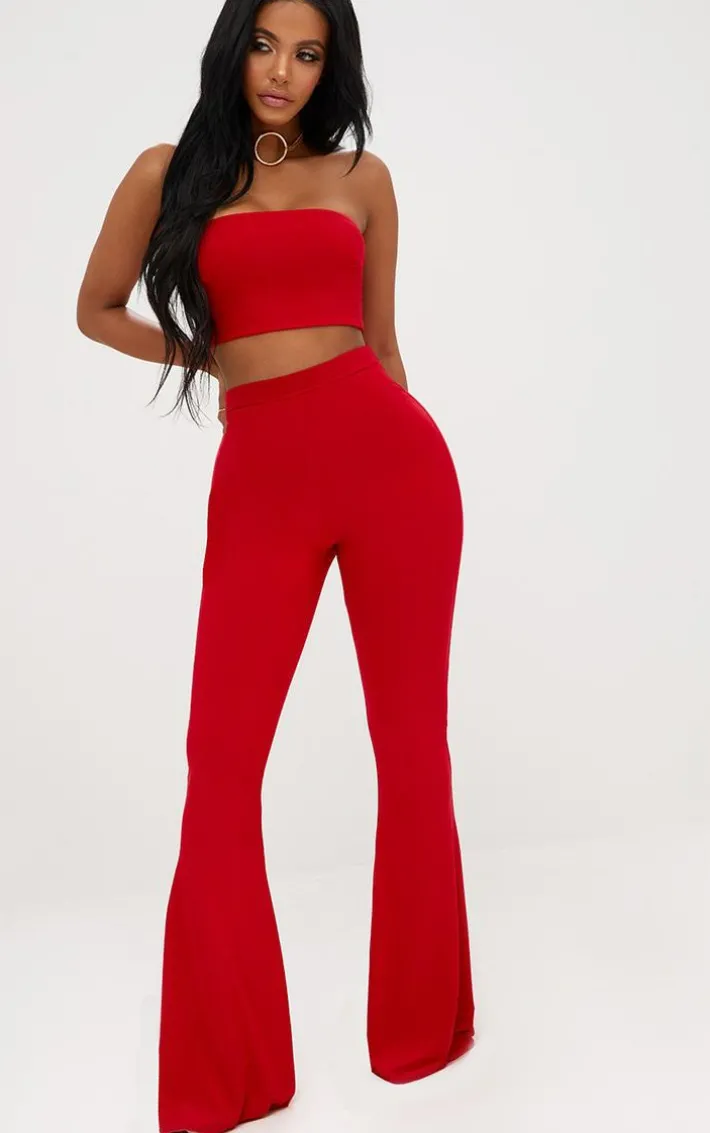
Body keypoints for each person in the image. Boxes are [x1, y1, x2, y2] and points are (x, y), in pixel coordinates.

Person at [76, 1, 475, 1130]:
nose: (283, 72)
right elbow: (94, 310)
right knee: (220, 763)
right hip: (261, 484)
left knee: (412, 750)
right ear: (231, 47)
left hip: (394, 469)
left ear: (329, 68)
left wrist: (415, 463)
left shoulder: (362, 179)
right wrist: (208, 354)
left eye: (308, 54)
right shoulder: (168, 173)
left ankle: (420, 1035)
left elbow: (383, 346)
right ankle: (231, 1071)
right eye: (265, 44)